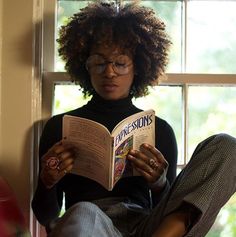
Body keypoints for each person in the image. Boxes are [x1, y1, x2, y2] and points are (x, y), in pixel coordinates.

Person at [32, 2, 236, 237]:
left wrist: (159, 183)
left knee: (227, 146)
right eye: (99, 62)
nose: (109, 72)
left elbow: (169, 206)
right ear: (85, 66)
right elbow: (45, 216)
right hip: (88, 227)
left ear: (138, 66)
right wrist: (47, 182)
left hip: (146, 227)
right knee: (84, 212)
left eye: (120, 63)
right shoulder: (60, 127)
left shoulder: (159, 130)